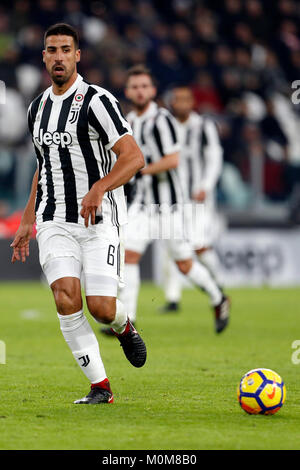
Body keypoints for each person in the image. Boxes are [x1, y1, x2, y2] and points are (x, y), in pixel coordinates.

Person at [10, 23, 146, 405]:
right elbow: (45, 165)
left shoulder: (97, 100)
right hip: (53, 220)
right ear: (43, 56)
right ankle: (101, 387)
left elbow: (134, 157)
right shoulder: (37, 107)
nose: (58, 56)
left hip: (98, 218)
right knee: (65, 298)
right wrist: (26, 219)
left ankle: (123, 325)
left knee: (101, 308)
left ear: (77, 55)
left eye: (65, 49)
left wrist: (100, 187)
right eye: (51, 50)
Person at [101, 65, 230, 335]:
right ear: (127, 91)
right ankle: (129, 320)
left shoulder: (163, 120)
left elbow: (174, 159)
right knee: (130, 256)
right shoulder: (128, 121)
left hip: (169, 205)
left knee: (184, 262)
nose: (140, 91)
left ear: (153, 91)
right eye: (135, 87)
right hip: (142, 204)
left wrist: (141, 168)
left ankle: (218, 297)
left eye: (144, 86)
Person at [160, 85, 226, 312]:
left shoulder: (203, 126)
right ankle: (173, 298)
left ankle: (219, 285)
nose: (182, 104)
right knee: (173, 246)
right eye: (178, 99)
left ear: (192, 103)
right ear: (172, 102)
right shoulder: (165, 125)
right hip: (173, 198)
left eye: (186, 100)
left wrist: (206, 185)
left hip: (198, 198)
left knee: (198, 245)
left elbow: (215, 158)